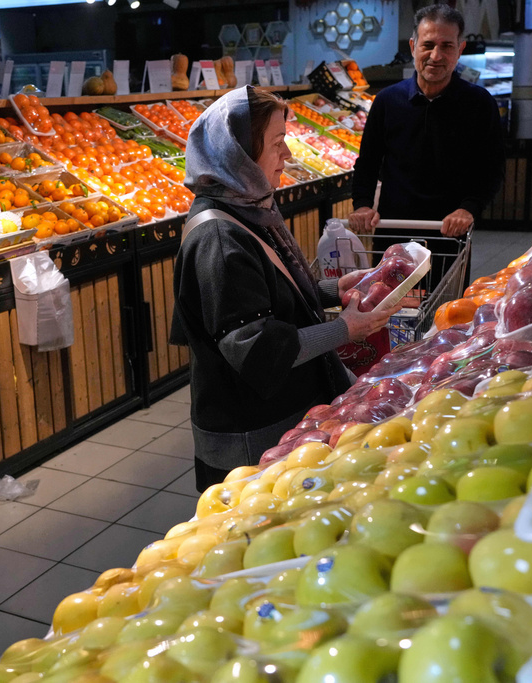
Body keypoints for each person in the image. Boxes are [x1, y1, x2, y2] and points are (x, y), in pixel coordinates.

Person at [171, 86, 401, 492]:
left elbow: (265, 293)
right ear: (238, 154)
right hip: (252, 433)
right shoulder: (219, 238)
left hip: (280, 412)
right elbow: (257, 348)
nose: (288, 155)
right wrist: (345, 329)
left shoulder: (247, 207)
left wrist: (331, 290)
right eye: (277, 143)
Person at [348, 4, 504, 238]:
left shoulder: (480, 103)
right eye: (428, 45)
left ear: (460, 49)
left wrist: (468, 208)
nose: (436, 56)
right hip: (393, 229)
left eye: (447, 46)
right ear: (413, 47)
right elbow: (368, 163)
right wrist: (362, 204)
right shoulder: (387, 101)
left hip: (451, 231)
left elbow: (491, 168)